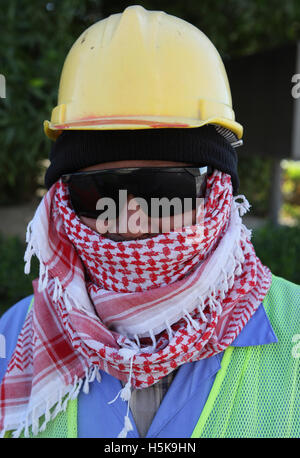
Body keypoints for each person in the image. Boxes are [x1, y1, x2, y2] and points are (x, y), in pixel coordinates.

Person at [0, 5, 299, 439]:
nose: (133, 224)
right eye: (98, 190)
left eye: (166, 188)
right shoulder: (11, 343)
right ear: (63, 198)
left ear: (217, 192)